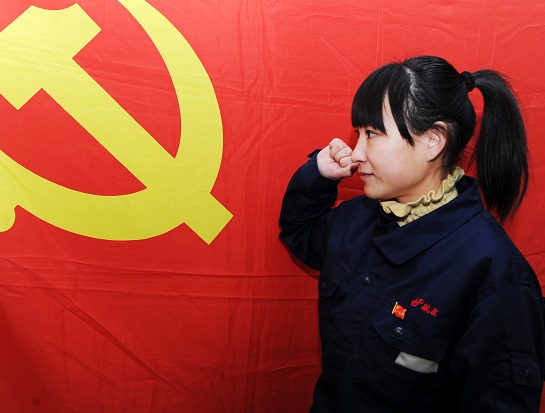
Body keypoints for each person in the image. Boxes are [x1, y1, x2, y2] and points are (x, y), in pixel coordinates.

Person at [279, 55, 545, 412]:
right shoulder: (357, 218)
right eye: (359, 133)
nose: (356, 153)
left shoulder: (493, 272)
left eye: (373, 134)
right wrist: (318, 174)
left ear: (433, 141)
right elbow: (300, 232)